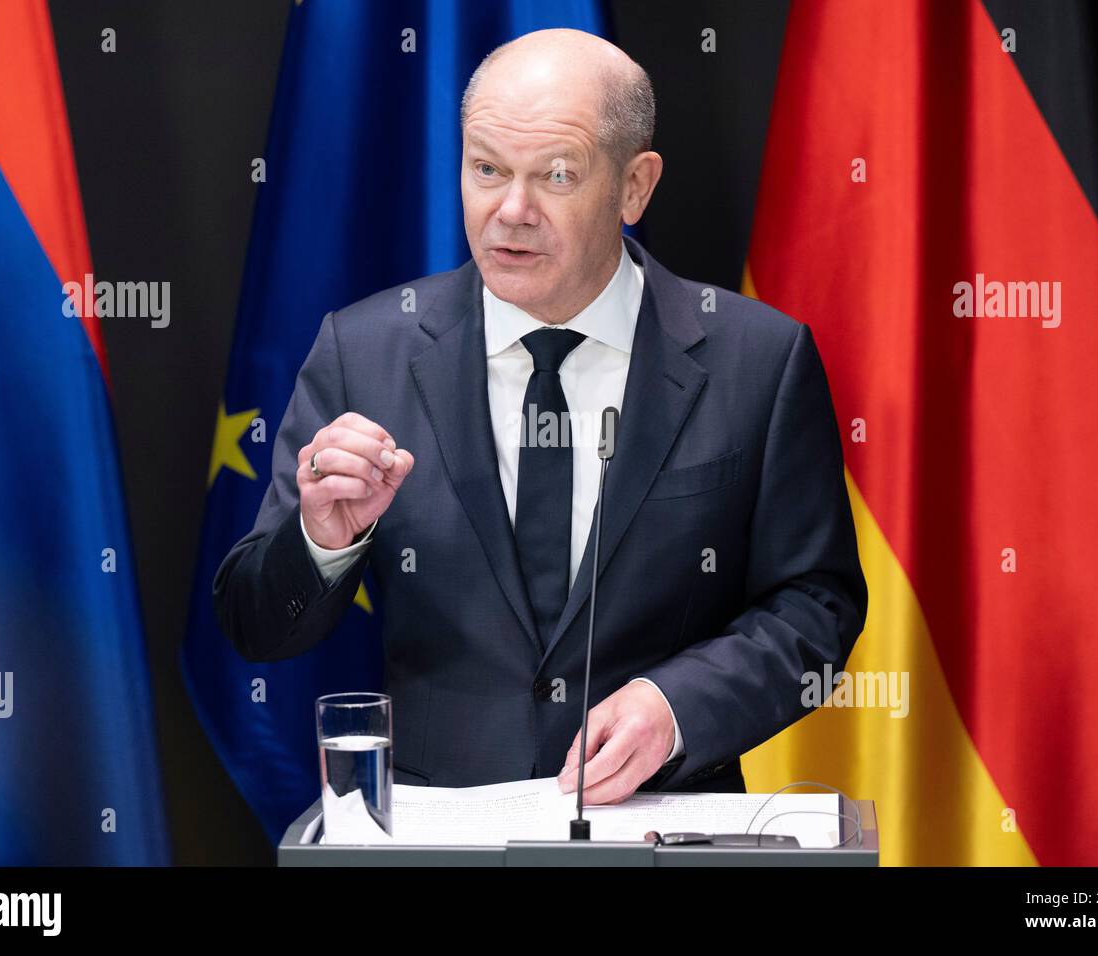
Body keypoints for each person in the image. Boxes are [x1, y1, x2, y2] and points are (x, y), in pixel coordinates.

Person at [214, 28, 866, 804]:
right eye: (486, 169)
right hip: (440, 838)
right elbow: (257, 625)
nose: (510, 211)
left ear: (635, 186)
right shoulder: (365, 352)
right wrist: (322, 540)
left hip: (663, 825)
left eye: (555, 176)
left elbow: (814, 607)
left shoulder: (757, 360)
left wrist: (678, 707)